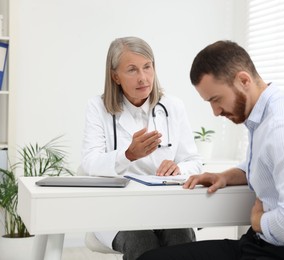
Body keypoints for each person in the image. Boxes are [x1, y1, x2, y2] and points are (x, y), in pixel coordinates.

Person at [138, 41, 284, 260]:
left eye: (216, 99)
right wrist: (224, 177)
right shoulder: (264, 119)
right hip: (264, 245)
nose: (215, 111)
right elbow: (267, 167)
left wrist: (258, 221)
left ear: (243, 80)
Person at [80, 36, 202, 260]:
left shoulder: (173, 107)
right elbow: (89, 163)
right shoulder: (98, 108)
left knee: (181, 236)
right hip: (117, 210)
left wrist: (179, 169)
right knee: (142, 240)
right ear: (115, 76)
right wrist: (127, 156)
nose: (143, 77)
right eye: (132, 70)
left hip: (165, 207)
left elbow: (193, 161)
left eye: (147, 67)